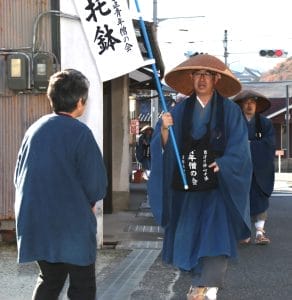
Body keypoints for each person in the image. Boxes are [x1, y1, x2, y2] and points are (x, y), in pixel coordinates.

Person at [148, 54, 252, 300]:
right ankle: (199, 284)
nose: (202, 79)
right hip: (187, 187)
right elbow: (165, 148)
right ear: (191, 78)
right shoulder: (179, 110)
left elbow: (240, 149)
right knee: (190, 235)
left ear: (217, 79)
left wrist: (224, 163)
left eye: (207, 74)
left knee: (215, 236)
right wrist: (164, 130)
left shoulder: (230, 111)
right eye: (197, 74)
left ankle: (206, 287)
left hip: (217, 186)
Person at [14, 69, 108, 300]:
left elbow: (19, 176)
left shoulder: (34, 130)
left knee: (50, 279)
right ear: (79, 102)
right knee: (82, 286)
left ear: (51, 98)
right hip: (72, 225)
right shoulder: (81, 133)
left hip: (37, 222)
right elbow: (96, 185)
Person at [233, 90, 275, 245]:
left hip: (260, 167)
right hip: (239, 166)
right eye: (246, 102)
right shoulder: (235, 123)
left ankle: (259, 232)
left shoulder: (265, 123)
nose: (250, 105)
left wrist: (250, 145)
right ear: (241, 105)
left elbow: (269, 143)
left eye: (253, 102)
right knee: (240, 197)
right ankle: (243, 232)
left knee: (260, 197)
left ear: (257, 105)